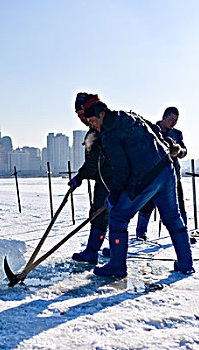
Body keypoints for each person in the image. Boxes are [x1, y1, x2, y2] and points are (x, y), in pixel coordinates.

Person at [82, 95, 194, 277]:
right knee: (173, 217)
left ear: (102, 114)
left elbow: (121, 168)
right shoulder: (129, 116)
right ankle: (186, 263)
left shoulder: (110, 134)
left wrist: (115, 194)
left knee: (117, 216)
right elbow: (156, 132)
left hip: (147, 176)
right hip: (166, 169)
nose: (92, 126)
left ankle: (117, 266)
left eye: (93, 121)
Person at [68, 93, 112, 263]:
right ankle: (101, 250)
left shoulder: (102, 131)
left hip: (111, 180)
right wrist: (79, 178)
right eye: (79, 116)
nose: (82, 119)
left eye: (82, 114)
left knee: (104, 215)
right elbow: (92, 163)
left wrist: (80, 177)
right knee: (102, 214)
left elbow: (93, 164)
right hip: (104, 179)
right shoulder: (94, 131)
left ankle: (94, 251)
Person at [136, 107, 187, 240]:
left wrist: (180, 151)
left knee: (179, 205)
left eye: (176, 120)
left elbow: (184, 149)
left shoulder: (177, 134)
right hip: (153, 175)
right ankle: (141, 233)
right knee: (148, 204)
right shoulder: (151, 130)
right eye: (171, 119)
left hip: (172, 175)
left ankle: (183, 232)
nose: (173, 122)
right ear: (164, 117)